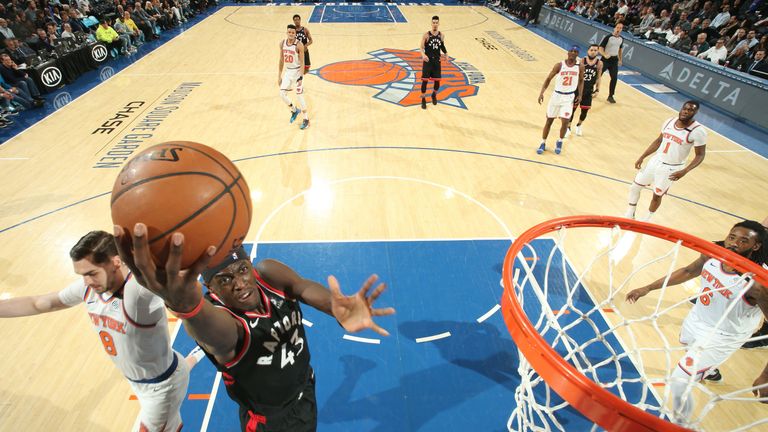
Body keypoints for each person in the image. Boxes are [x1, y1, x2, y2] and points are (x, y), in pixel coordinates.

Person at [113, 224, 396, 432]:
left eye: (241, 271)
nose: (238, 283)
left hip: (304, 390)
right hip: (270, 423)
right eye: (223, 280)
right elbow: (204, 324)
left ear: (250, 265)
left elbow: (305, 287)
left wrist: (335, 307)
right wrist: (184, 305)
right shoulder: (224, 324)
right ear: (210, 288)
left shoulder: (269, 273)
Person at [0, 231, 203, 432]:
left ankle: (188, 367)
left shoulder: (138, 292)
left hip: (161, 389)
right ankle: (193, 359)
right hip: (143, 378)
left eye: (91, 273)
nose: (86, 281)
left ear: (116, 261)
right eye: (82, 275)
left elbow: (172, 282)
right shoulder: (89, 288)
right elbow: (40, 303)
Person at [625, 221, 768, 421]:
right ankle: (710, 371)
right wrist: (648, 288)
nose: (734, 243)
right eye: (732, 237)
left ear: (756, 246)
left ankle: (678, 423)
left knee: (679, 380)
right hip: (698, 317)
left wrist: (766, 376)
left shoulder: (757, 285)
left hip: (725, 335)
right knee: (686, 345)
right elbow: (688, 271)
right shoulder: (714, 252)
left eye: (744, 241)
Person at [623, 100, 706, 221]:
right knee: (634, 187)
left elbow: (700, 155)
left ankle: (647, 218)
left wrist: (685, 171)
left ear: (695, 112)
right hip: (655, 161)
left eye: (690, 110)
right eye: (685, 108)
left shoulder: (698, 131)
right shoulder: (669, 121)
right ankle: (630, 213)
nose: (686, 111)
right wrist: (643, 156)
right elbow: (659, 140)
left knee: (657, 195)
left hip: (671, 167)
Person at [536, 45, 584, 155]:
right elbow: (548, 79)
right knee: (549, 121)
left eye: (575, 51)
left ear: (577, 54)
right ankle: (543, 142)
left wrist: (580, 95)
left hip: (569, 97)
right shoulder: (559, 65)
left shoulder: (580, 66)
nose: (573, 53)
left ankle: (560, 141)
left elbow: (581, 80)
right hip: (556, 96)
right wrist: (542, 92)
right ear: (568, 52)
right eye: (571, 51)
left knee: (565, 121)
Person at [567, 44, 602, 137]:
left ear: (597, 52)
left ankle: (579, 125)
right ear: (588, 51)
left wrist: (597, 89)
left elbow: (598, 77)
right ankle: (568, 127)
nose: (593, 51)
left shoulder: (599, 63)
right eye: (591, 50)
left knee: (584, 111)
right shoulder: (582, 61)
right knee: (572, 109)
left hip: (589, 90)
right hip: (578, 89)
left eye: (595, 50)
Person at [278, 24, 309, 130]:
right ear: (287, 32)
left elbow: (302, 61)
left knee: (299, 94)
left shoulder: (299, 45)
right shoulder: (282, 43)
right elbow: (281, 60)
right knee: (282, 94)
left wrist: (300, 78)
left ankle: (306, 119)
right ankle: (295, 110)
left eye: (293, 32)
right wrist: (279, 75)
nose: (291, 34)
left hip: (297, 71)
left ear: (295, 34)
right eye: (289, 32)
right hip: (288, 72)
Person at [419, 15, 447, 110]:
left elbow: (442, 46)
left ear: (439, 23)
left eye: (436, 22)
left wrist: (446, 53)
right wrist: (423, 55)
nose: (435, 24)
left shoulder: (441, 35)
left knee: (437, 83)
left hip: (437, 61)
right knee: (424, 81)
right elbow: (421, 47)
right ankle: (423, 99)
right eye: (433, 22)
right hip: (428, 61)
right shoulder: (426, 35)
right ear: (431, 23)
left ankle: (433, 95)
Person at [598, 23, 624, 103]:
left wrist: (620, 59)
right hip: (605, 59)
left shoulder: (621, 39)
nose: (618, 29)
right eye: (617, 27)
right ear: (614, 28)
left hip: (614, 60)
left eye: (620, 28)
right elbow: (600, 48)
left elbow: (620, 50)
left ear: (622, 30)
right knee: (598, 76)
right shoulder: (608, 37)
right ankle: (592, 90)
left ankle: (610, 96)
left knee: (614, 78)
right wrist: (604, 54)